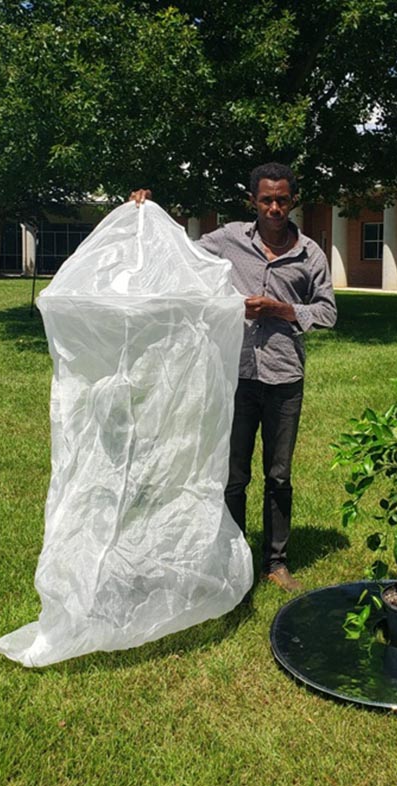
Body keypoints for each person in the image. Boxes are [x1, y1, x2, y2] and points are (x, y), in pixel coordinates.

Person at [131, 163, 337, 591]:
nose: (275, 207)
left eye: (282, 199)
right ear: (253, 202)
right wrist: (149, 214)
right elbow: (182, 253)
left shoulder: (310, 253)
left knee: (279, 475)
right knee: (233, 476)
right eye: (267, 200)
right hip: (235, 375)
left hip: (284, 378)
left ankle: (276, 563)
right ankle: (232, 557)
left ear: (293, 200)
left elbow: (328, 312)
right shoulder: (228, 239)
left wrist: (281, 309)